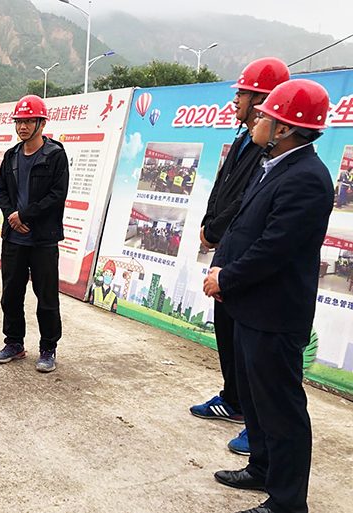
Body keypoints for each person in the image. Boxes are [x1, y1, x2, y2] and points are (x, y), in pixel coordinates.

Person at [204, 79, 334, 513]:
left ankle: (287, 501)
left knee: (281, 409)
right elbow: (244, 228)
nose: (257, 120)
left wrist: (227, 278)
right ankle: (260, 467)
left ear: (284, 129)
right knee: (257, 400)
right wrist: (222, 268)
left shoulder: (307, 178)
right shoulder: (275, 165)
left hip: (275, 314)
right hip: (250, 306)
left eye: (265, 116)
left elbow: (274, 249)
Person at [192, 58, 290, 456]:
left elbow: (247, 202)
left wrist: (216, 230)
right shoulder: (242, 139)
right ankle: (232, 400)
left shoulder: (271, 151)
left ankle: (255, 421)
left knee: (248, 342)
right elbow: (222, 187)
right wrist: (208, 223)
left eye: (242, 94)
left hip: (245, 252)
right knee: (227, 330)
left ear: (262, 99)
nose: (235, 100)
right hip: (226, 246)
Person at [0, 94, 68, 373]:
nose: (22, 127)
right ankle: (14, 343)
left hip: (43, 239)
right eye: (19, 121)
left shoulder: (55, 155)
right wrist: (12, 216)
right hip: (14, 238)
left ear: (42, 123)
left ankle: (48, 347)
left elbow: (56, 195)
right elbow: (1, 191)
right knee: (11, 294)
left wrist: (25, 215)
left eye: (28, 121)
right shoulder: (11, 155)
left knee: (46, 297)